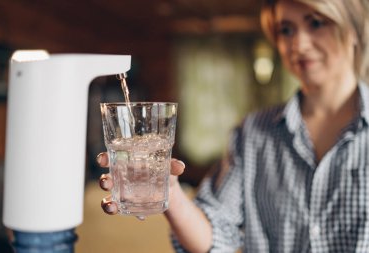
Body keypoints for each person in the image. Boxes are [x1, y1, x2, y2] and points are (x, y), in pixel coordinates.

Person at [97, 0, 369, 252]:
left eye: (316, 23)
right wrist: (168, 190)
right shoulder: (253, 132)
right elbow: (217, 234)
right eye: (286, 30)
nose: (298, 44)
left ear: (354, 29)